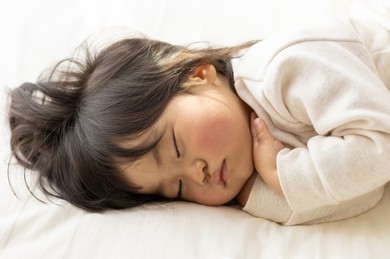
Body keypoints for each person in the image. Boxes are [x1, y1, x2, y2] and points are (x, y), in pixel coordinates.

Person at [8, 12, 390, 225]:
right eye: (176, 188)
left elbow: (378, 151)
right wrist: (256, 190)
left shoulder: (288, 68)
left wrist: (282, 173)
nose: (198, 175)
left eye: (175, 146)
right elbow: (362, 193)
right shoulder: (251, 158)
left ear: (197, 73)